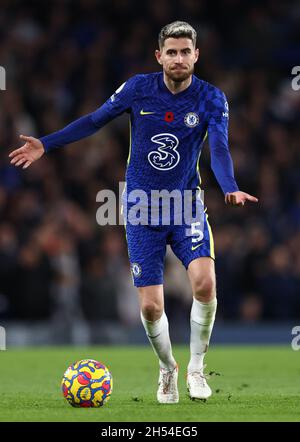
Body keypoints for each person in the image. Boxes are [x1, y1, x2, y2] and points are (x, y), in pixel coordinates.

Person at [9, 21, 258, 404]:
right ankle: (167, 369)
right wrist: (46, 143)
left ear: (196, 55)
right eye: (170, 52)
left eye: (184, 52)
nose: (178, 58)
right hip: (142, 209)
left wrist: (229, 187)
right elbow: (94, 120)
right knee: (150, 304)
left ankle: (195, 369)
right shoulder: (137, 89)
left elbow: (220, 150)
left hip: (186, 204)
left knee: (205, 282)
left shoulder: (212, 98)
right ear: (159, 56)